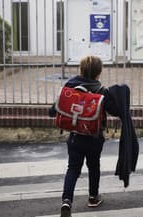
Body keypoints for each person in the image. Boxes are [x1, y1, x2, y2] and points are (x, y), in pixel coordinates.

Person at [49, 56, 109, 217]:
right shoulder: (101, 90)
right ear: (99, 72)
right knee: (94, 166)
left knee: (73, 168)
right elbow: (112, 110)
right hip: (94, 137)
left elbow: (52, 112)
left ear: (81, 70)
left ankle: (66, 201)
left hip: (75, 137)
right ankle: (93, 198)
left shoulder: (69, 87)